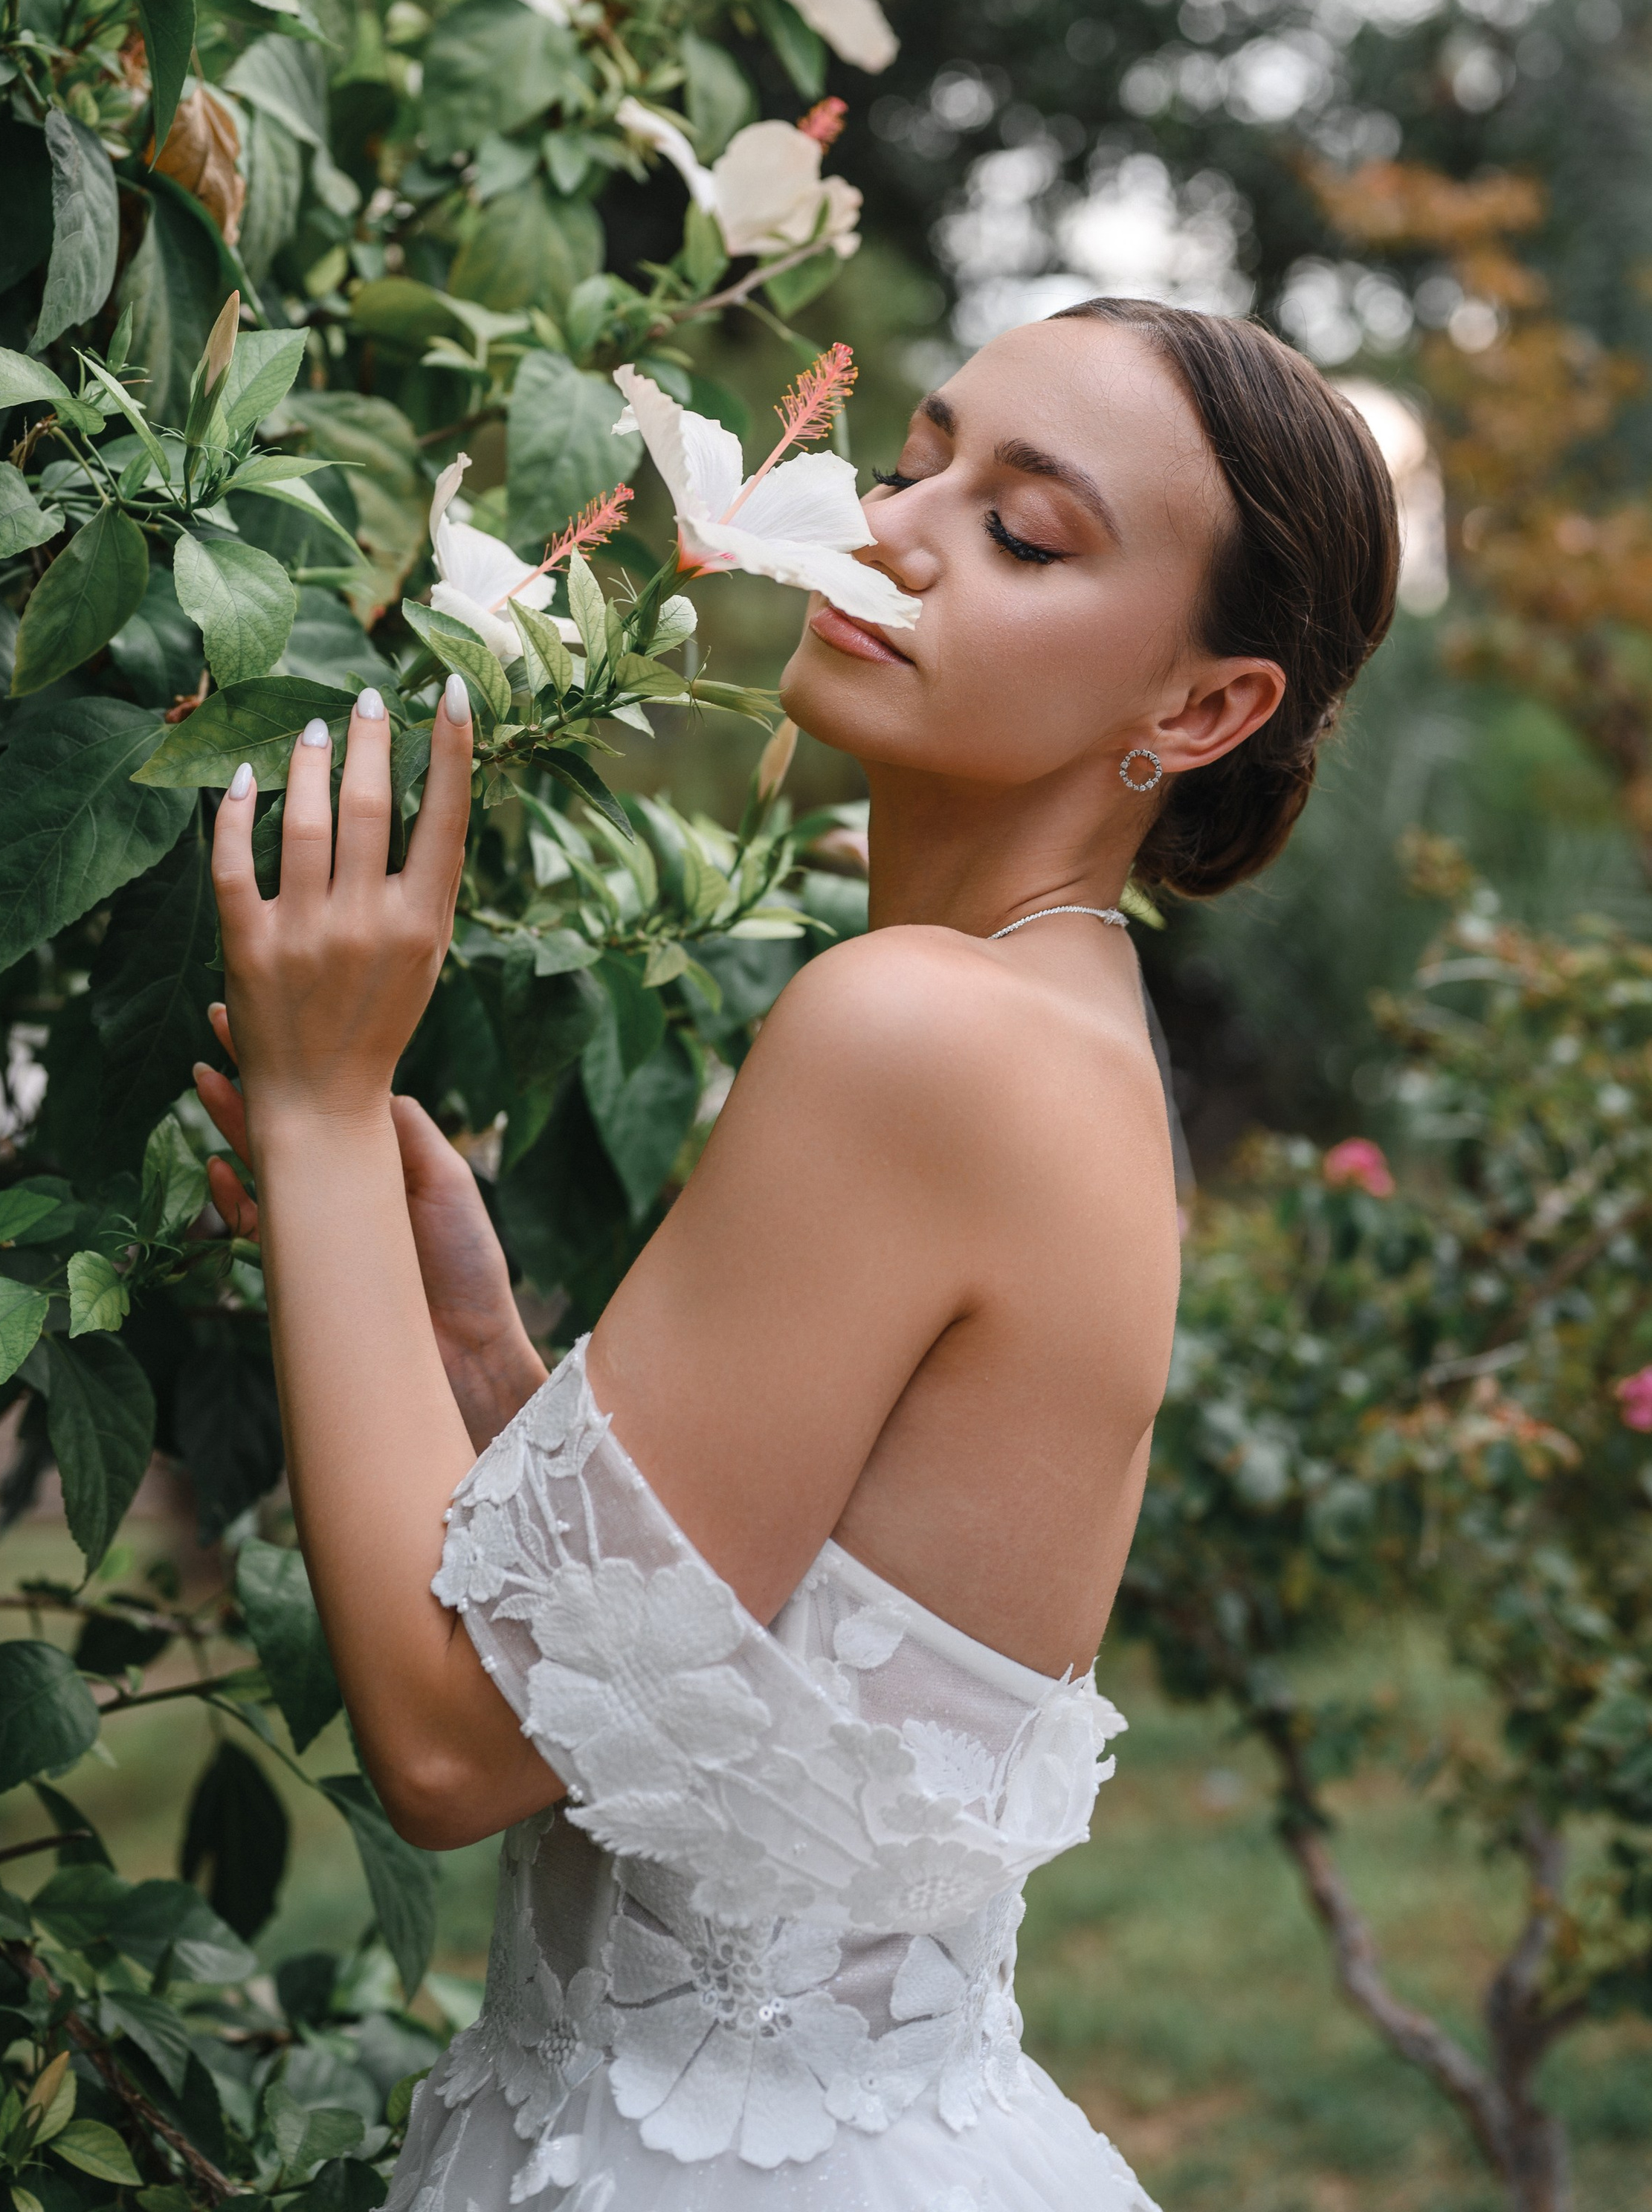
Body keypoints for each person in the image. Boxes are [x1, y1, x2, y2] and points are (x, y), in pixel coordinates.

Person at [197, 296, 1400, 2211]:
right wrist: (496, 1369)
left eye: (1023, 532)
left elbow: (447, 1746)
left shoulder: (917, 1027)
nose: (894, 528)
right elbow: (750, 1662)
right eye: (918, 463)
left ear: (1198, 708)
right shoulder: (1058, 1029)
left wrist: (324, 1106)